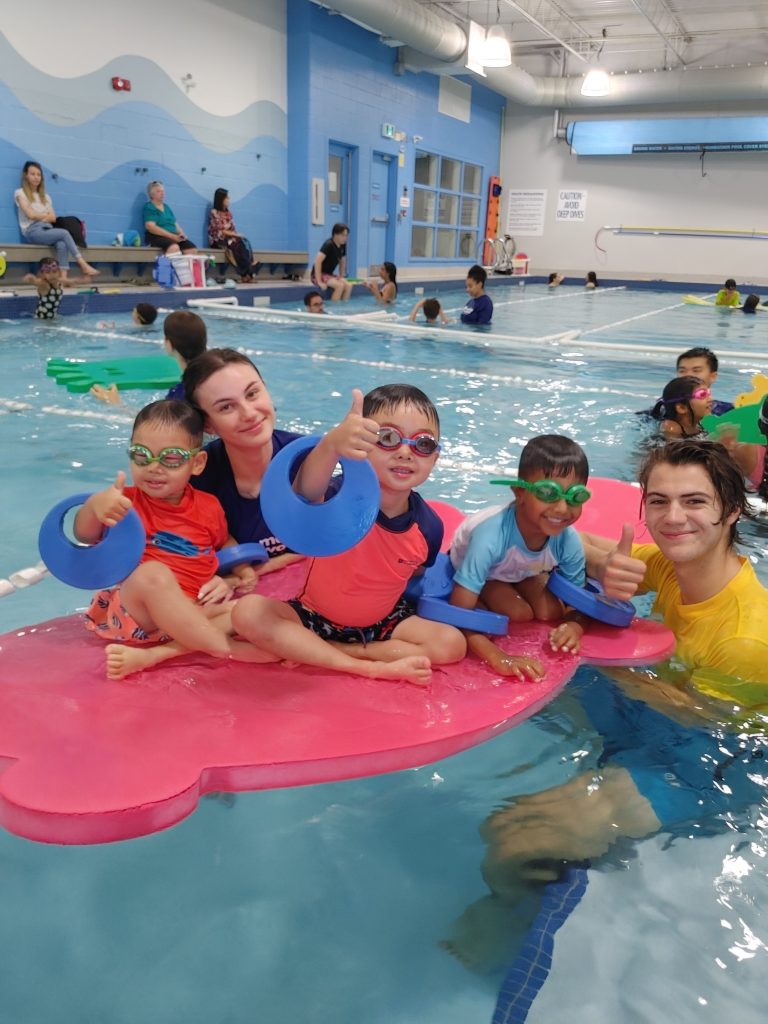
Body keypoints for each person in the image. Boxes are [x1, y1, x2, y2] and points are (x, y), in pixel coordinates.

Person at [442, 440, 768, 964]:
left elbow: (705, 722)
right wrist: (501, 534)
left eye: (695, 502)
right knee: (531, 692)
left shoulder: (747, 640)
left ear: (731, 511)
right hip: (659, 711)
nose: (673, 517)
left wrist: (611, 667)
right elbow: (580, 545)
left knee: (512, 839)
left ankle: (510, 935)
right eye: (658, 501)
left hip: (713, 759)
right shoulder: (669, 569)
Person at [230, 384, 466, 684]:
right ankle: (367, 665)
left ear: (435, 458)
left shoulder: (429, 527)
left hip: (383, 622)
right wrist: (331, 445)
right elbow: (304, 493)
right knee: (248, 612)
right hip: (313, 617)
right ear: (362, 444)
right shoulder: (337, 497)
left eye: (423, 444)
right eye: (388, 438)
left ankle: (334, 652)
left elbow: (413, 574)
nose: (406, 452)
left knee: (452, 644)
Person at [75, 399, 261, 680]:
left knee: (246, 610)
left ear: (197, 463)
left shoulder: (209, 506)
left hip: (191, 612)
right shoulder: (124, 503)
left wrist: (241, 569)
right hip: (138, 613)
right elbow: (84, 535)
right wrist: (94, 506)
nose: (153, 467)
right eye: (141, 455)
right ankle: (223, 647)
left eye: (170, 458)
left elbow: (223, 543)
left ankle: (157, 654)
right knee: (152, 573)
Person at [447, 435, 590, 680]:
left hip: (523, 570)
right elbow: (457, 612)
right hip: (486, 571)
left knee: (550, 612)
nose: (562, 509)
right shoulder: (490, 537)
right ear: (520, 492)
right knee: (518, 613)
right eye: (548, 493)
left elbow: (579, 602)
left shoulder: (568, 539)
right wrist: (497, 656)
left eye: (574, 497)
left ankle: (525, 579)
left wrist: (575, 626)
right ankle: (496, 588)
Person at [182, 348, 306, 577]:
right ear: (208, 424)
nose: (248, 413)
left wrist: (259, 571)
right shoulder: (196, 480)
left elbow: (334, 542)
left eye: (252, 394)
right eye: (226, 407)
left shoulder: (308, 458)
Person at [91, 310, 206, 406]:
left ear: (169, 344)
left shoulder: (181, 394)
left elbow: (159, 427)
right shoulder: (211, 377)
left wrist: (116, 404)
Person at [14, 161, 99, 278]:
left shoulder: (46, 197)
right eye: (32, 174)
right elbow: (30, 215)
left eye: (39, 174)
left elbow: (53, 218)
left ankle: (63, 278)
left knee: (62, 243)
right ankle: (83, 264)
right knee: (64, 233)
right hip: (32, 231)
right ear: (26, 175)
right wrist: (44, 215)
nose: (36, 177)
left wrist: (39, 215)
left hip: (48, 229)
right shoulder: (20, 193)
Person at [207, 187, 261, 283]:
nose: (229, 199)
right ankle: (246, 273)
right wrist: (236, 236)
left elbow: (232, 229)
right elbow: (221, 231)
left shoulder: (228, 213)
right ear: (221, 199)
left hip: (229, 238)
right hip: (218, 239)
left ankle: (248, 270)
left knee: (245, 242)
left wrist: (237, 236)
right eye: (227, 198)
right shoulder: (214, 212)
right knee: (235, 245)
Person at [22, 258, 93, 319]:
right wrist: (30, 278)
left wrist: (87, 275)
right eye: (48, 272)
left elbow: (75, 281)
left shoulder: (60, 281)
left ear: (59, 271)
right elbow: (34, 281)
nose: (52, 275)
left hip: (53, 317)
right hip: (42, 320)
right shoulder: (44, 284)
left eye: (54, 272)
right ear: (42, 274)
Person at [674, 347, 733, 415]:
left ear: (712, 376)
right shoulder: (663, 407)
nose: (688, 375)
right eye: (682, 371)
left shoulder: (728, 412)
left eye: (696, 371)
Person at [143, 181, 197, 254]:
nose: (162, 193)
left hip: (172, 236)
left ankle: (183, 265)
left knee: (191, 249)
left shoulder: (166, 207)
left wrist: (181, 234)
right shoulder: (149, 207)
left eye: (163, 191)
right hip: (156, 236)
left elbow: (174, 223)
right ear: (151, 194)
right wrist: (172, 236)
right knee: (174, 248)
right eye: (158, 191)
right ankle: (170, 265)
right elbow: (150, 227)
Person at [311, 223, 353, 301]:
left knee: (349, 285)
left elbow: (342, 261)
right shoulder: (328, 245)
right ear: (335, 234)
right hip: (318, 275)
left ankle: (344, 308)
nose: (345, 238)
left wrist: (341, 276)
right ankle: (334, 309)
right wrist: (319, 281)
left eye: (346, 235)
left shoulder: (342, 245)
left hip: (329, 275)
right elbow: (317, 261)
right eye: (343, 235)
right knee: (339, 286)